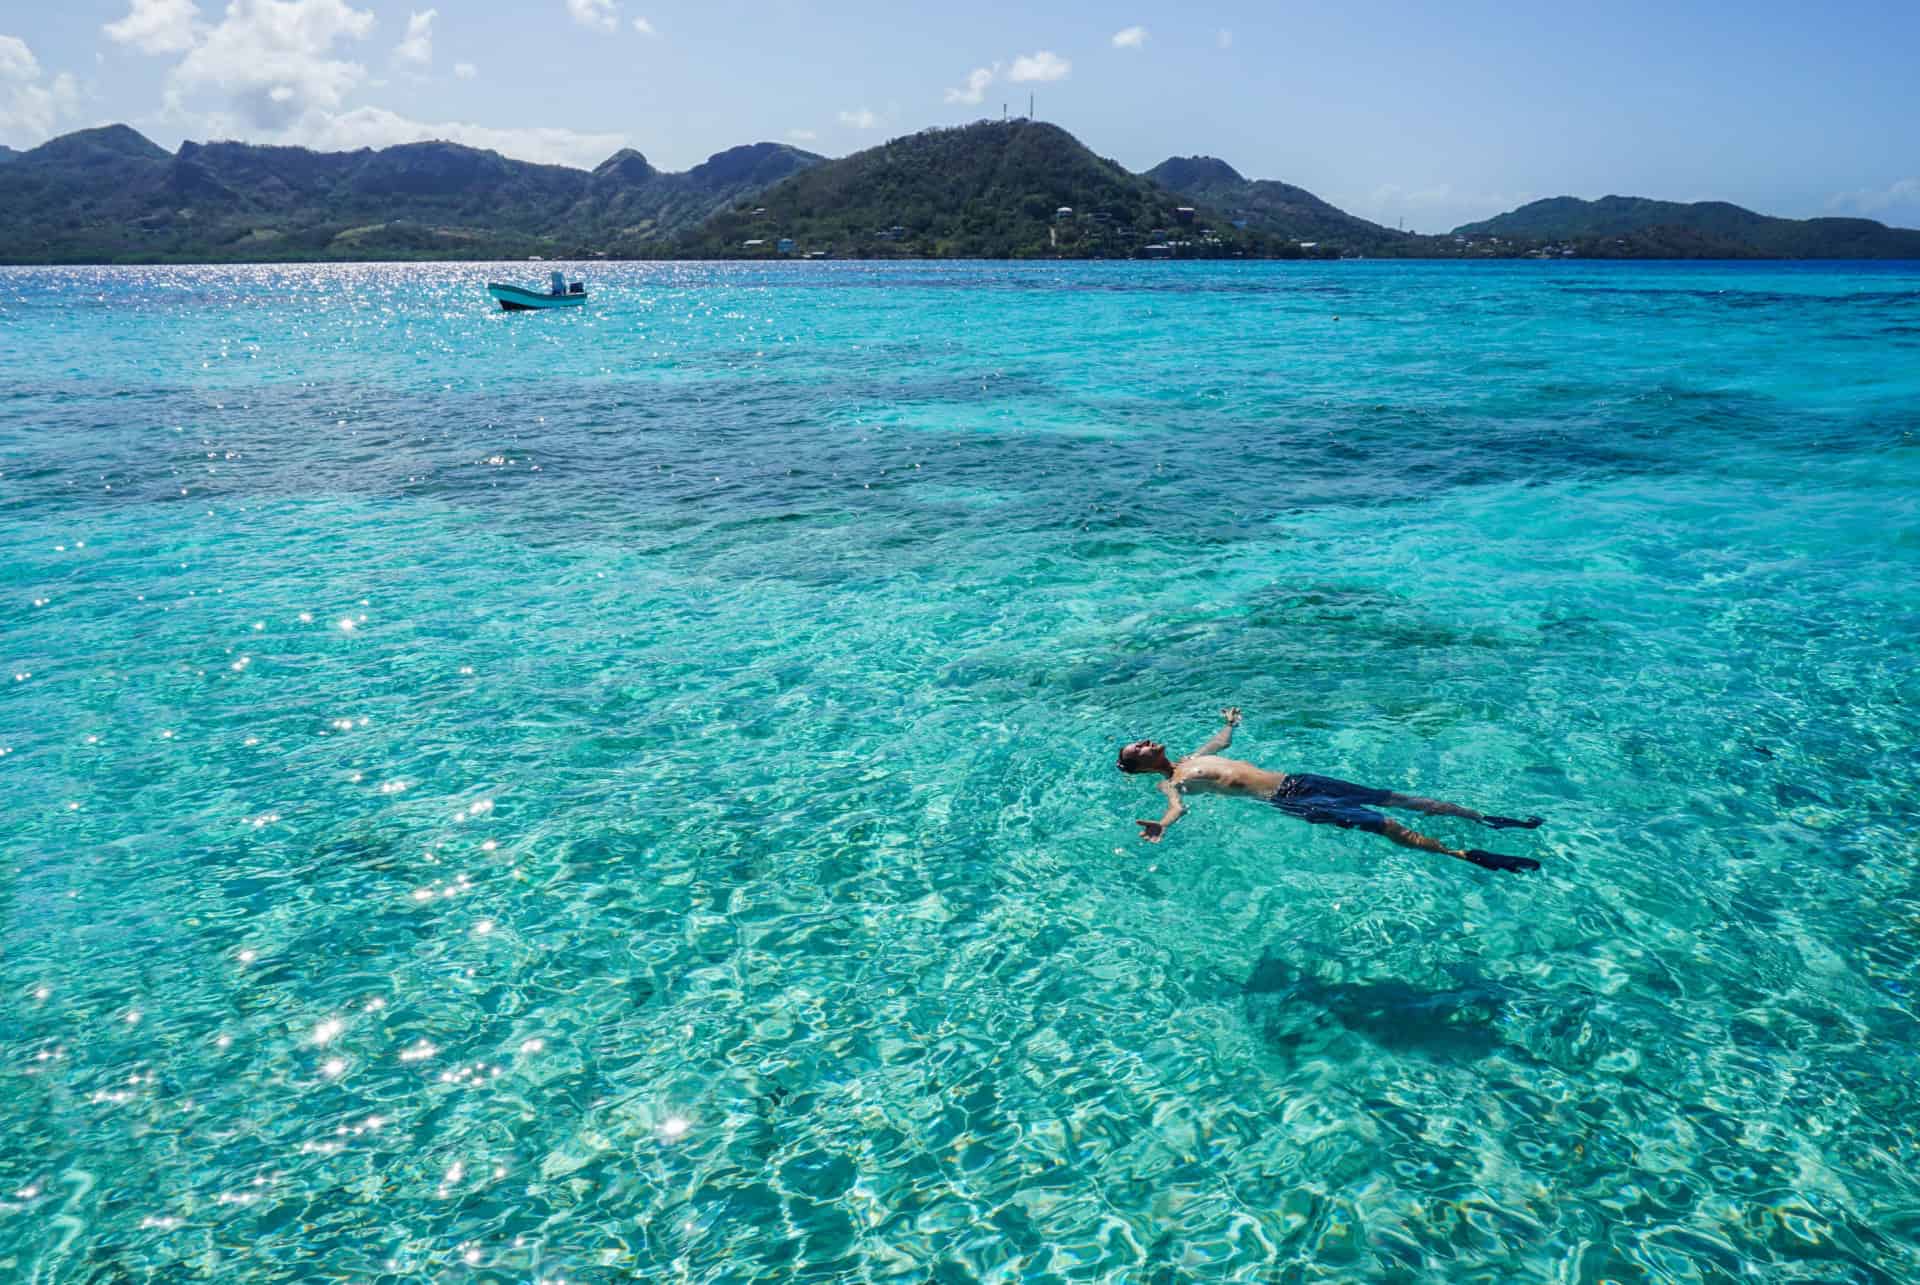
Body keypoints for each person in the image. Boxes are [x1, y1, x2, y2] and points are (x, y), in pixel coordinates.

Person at [1117, 708, 1544, 873]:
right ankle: (1464, 855)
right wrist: (1163, 825)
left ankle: (1484, 819)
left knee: (1394, 797)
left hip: (1301, 780)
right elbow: (1176, 807)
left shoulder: (1193, 757)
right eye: (1140, 746)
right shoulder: (1173, 781)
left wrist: (1230, 722)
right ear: (1140, 763)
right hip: (1291, 800)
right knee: (1386, 823)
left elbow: (1223, 744)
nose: (1147, 740)